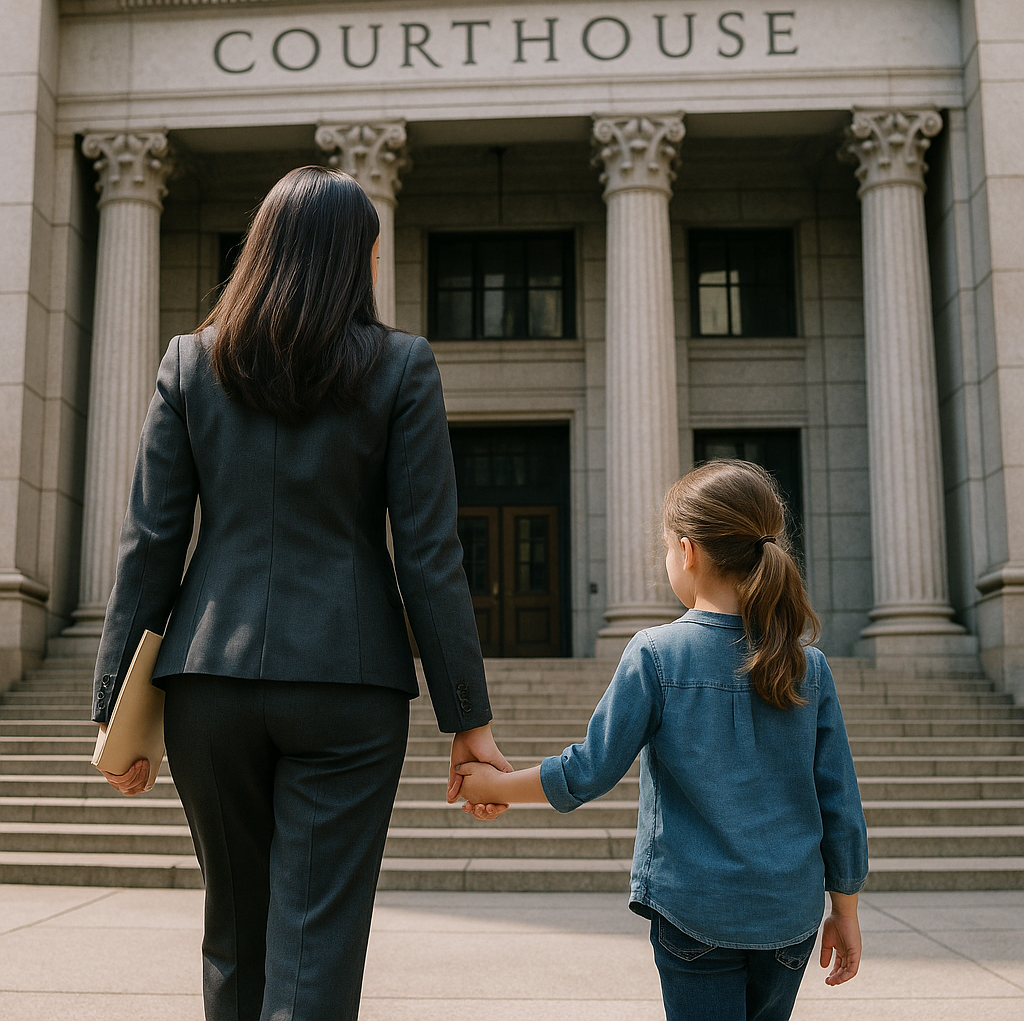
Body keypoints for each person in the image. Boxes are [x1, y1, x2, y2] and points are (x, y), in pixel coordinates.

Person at [91, 165, 511, 1021]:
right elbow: (429, 554)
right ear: (355, 259)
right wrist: (468, 721)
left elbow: (150, 546)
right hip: (348, 686)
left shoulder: (190, 363)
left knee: (234, 935)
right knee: (316, 943)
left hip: (208, 682)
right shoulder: (402, 366)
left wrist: (113, 712)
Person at [456, 460, 869, 1021]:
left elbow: (589, 771)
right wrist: (845, 909)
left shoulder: (655, 654)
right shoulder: (809, 666)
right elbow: (840, 802)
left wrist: (494, 786)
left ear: (688, 551)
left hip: (694, 908)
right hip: (788, 917)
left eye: (668, 549)